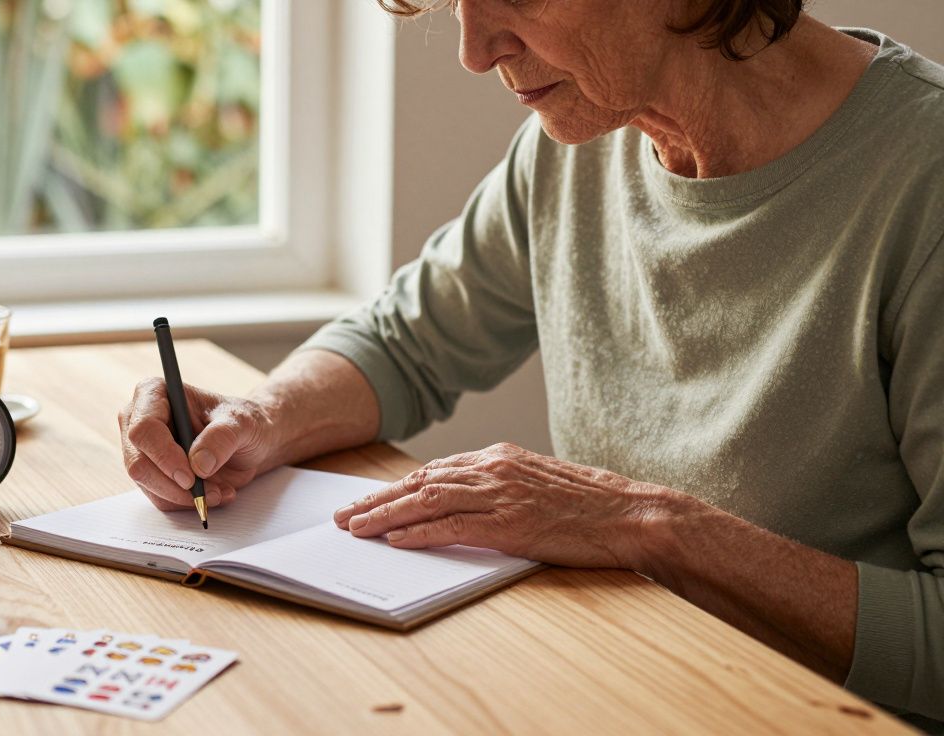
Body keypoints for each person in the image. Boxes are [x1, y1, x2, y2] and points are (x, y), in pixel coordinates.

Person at [117, 0, 944, 729]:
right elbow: (407, 344)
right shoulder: (582, 140)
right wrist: (258, 419)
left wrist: (651, 528)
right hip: (610, 690)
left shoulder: (924, 185)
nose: (476, 51)